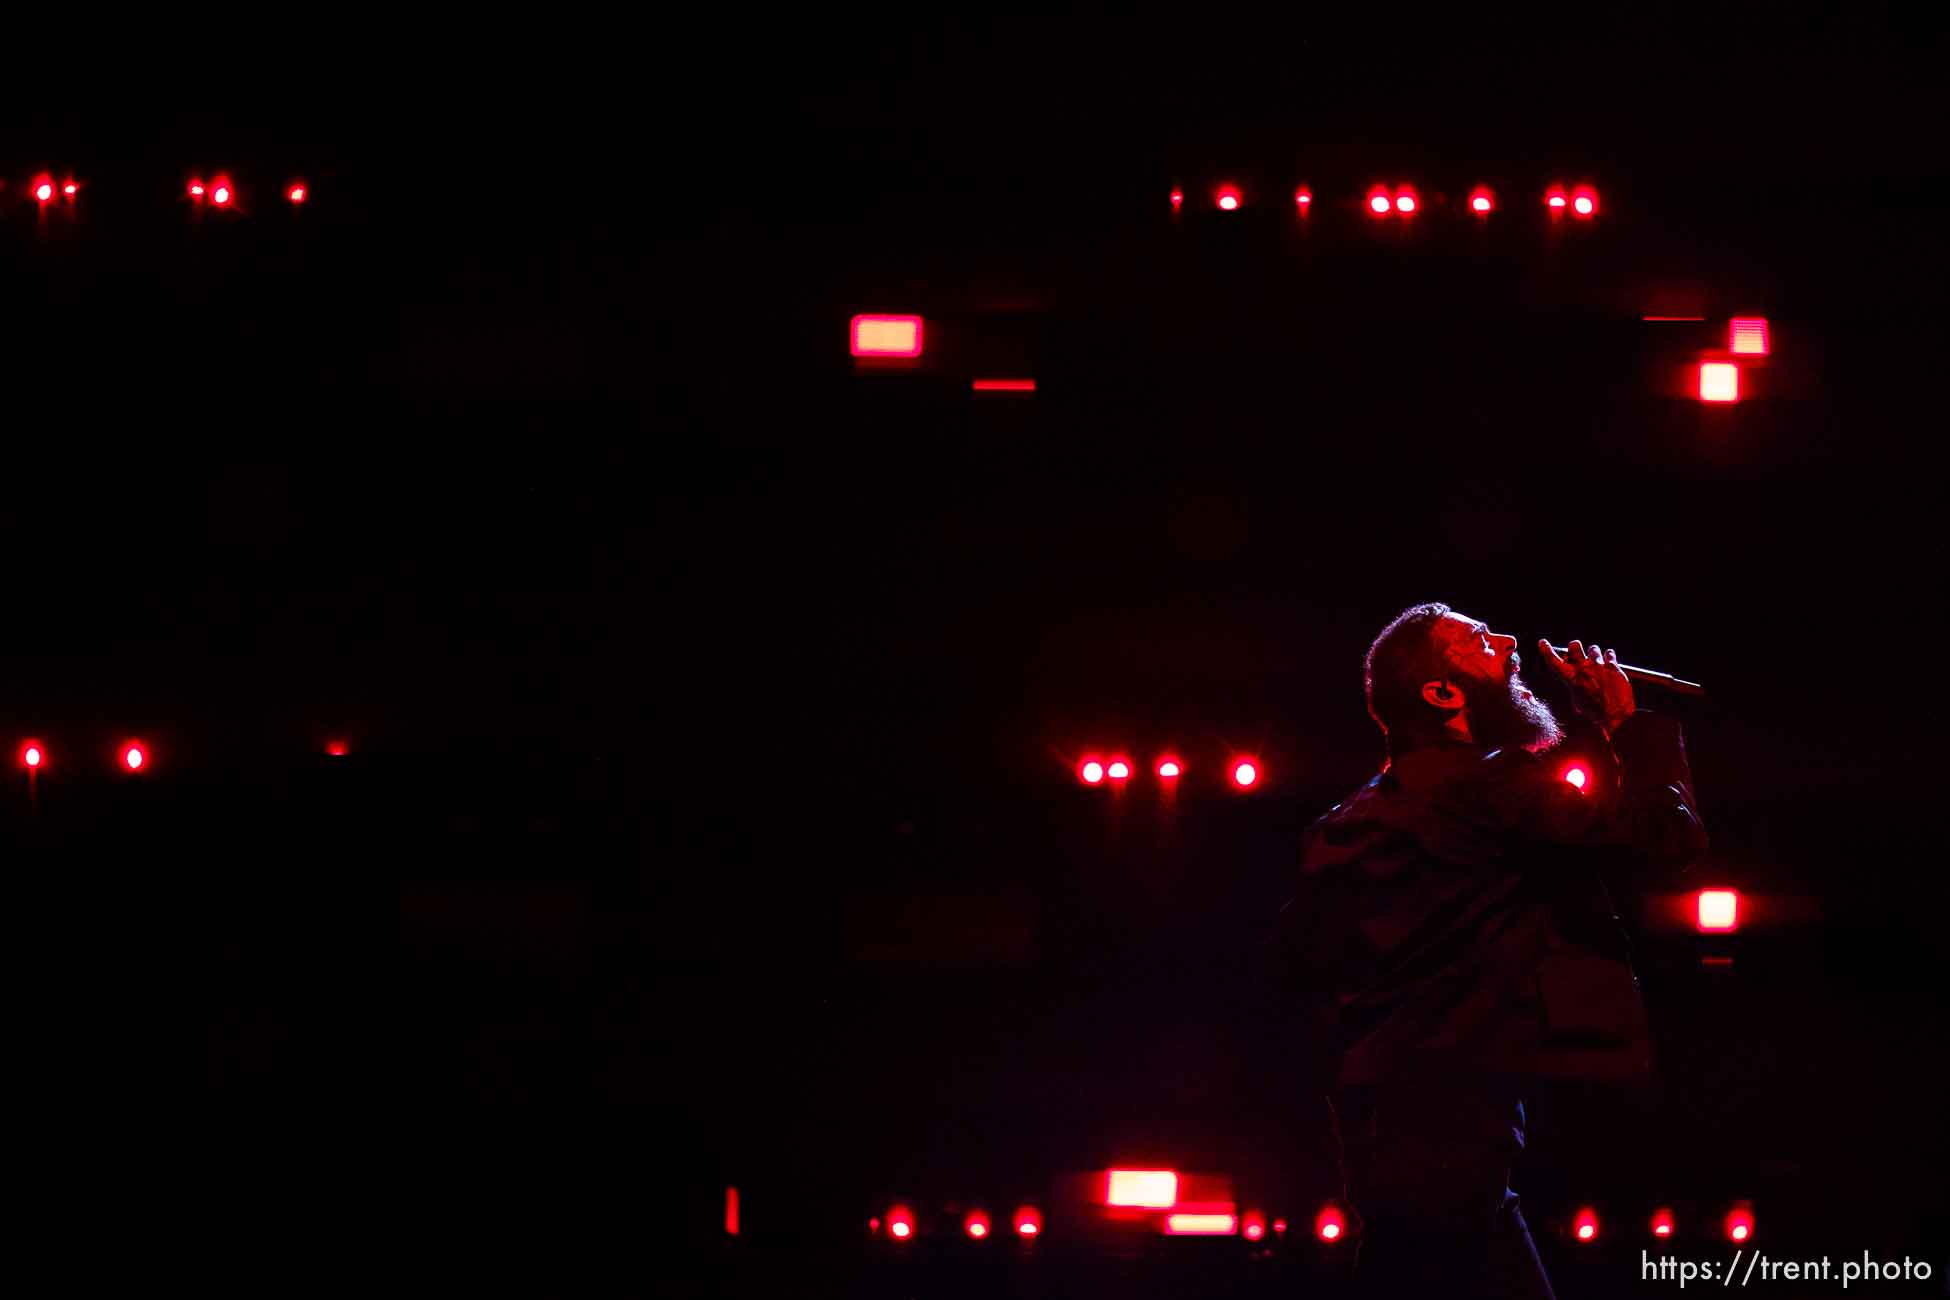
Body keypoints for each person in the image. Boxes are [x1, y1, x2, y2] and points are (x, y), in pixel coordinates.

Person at [1273, 602, 1707, 1297]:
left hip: (1384, 1146)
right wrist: (1623, 723)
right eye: (1480, 641)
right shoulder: (1492, 789)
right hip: (1453, 1151)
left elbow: (1299, 965)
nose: (1510, 641)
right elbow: (1667, 840)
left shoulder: (1347, 822)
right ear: (1443, 694)